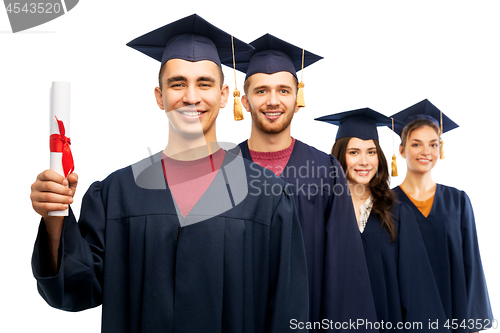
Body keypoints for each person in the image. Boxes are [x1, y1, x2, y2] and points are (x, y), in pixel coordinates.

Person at [30, 14, 309, 332]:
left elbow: (289, 309)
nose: (191, 96)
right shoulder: (116, 194)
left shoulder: (268, 197)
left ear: (222, 95)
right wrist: (55, 218)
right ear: (160, 96)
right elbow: (75, 289)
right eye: (178, 84)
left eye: (204, 83)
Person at [224, 34, 378, 331]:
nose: (273, 101)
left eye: (283, 90)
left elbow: (344, 268)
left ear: (297, 99)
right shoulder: (219, 170)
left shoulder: (325, 171)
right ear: (244, 101)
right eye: (261, 91)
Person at [316, 108, 449, 332]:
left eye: (371, 152)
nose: (364, 161)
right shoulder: (322, 211)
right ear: (340, 156)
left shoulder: (397, 213)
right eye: (354, 152)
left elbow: (417, 288)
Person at [390, 99, 493, 332]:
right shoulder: (385, 204)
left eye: (433, 144)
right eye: (416, 144)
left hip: (453, 318)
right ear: (402, 149)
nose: (426, 152)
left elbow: (472, 266)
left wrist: (473, 325)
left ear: (440, 149)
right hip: (403, 321)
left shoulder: (458, 201)